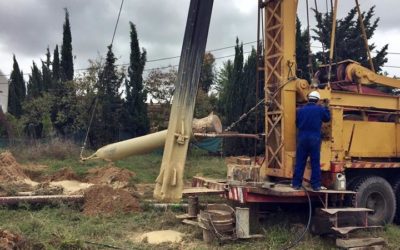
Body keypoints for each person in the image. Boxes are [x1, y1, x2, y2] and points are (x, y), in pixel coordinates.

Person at [292, 91, 331, 191]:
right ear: (317, 100)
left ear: (308, 98)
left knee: (300, 161)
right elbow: (327, 118)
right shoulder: (320, 109)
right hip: (314, 138)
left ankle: (296, 184)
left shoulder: (300, 110)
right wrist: (326, 106)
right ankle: (316, 185)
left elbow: (297, 123)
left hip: (302, 138)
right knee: (315, 162)